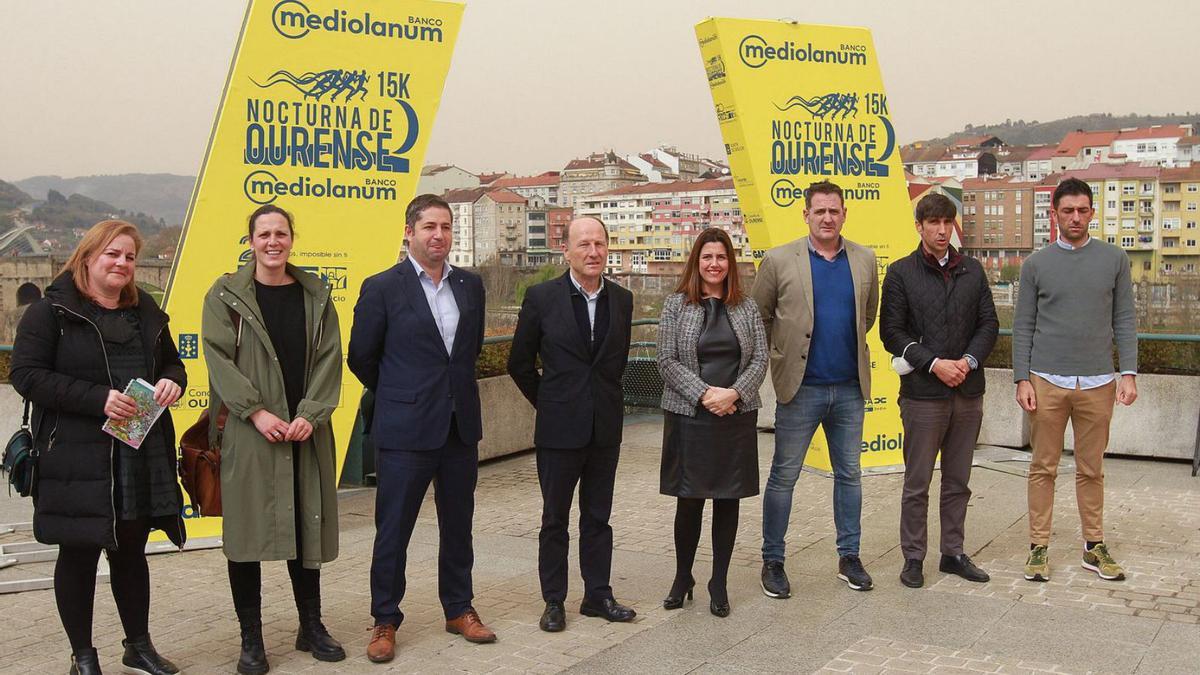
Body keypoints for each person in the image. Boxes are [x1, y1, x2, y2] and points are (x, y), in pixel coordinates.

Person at [11, 219, 186, 675]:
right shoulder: (50, 312)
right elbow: (26, 375)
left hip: (135, 450)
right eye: (113, 253)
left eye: (129, 256)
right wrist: (98, 400)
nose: (123, 263)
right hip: (76, 455)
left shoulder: (144, 308)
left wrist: (171, 381)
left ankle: (139, 646)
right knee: (79, 552)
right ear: (87, 256)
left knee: (131, 550)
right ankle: (83, 656)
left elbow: (171, 363)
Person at [349, 194, 494, 662]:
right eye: (429, 226)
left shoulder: (470, 286)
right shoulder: (382, 287)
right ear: (409, 232)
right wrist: (401, 393)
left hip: (457, 428)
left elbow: (466, 353)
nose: (439, 235)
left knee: (459, 526)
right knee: (393, 529)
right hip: (405, 428)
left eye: (446, 227)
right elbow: (362, 358)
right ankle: (385, 619)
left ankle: (459, 608)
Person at [202, 204, 345, 674]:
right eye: (263, 234)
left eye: (280, 233)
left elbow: (329, 360)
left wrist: (311, 414)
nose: (273, 242)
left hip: (304, 433)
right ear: (250, 241)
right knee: (247, 537)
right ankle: (252, 640)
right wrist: (256, 412)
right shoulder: (224, 296)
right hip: (251, 435)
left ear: (291, 239)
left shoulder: (315, 296)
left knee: (305, 529)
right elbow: (220, 361)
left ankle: (311, 626)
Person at [507, 215, 636, 632]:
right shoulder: (542, 297)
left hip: (605, 429)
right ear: (566, 250)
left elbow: (614, 364)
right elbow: (519, 364)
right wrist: (550, 403)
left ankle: (598, 594)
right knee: (555, 519)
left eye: (599, 243)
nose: (593, 252)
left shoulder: (623, 299)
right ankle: (554, 600)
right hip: (559, 430)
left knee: (598, 517)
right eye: (583, 245)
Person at [751, 180, 879, 596]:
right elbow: (759, 318)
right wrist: (781, 359)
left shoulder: (864, 260)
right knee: (783, 477)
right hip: (799, 389)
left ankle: (850, 557)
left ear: (845, 214)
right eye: (819, 210)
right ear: (805, 214)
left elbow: (869, 316)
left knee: (850, 476)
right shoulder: (777, 260)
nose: (827, 217)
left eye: (834, 211)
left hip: (848, 389)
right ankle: (773, 560)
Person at [1013, 177, 1138, 583]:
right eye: (1067, 210)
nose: (1076, 217)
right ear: (1054, 214)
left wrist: (1129, 373)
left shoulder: (1114, 259)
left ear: (1092, 212)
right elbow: (1023, 325)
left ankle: (1093, 546)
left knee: (1092, 469)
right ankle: (1038, 548)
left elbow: (1124, 320)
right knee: (1042, 467)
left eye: (1083, 210)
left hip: (1099, 382)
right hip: (1046, 380)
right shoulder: (1035, 265)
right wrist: (1021, 379)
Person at [879, 193, 998, 589]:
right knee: (917, 482)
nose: (942, 230)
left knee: (958, 479)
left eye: (948, 222)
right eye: (933, 223)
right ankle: (913, 557)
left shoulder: (973, 271)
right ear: (919, 227)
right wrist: (934, 363)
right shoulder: (899, 273)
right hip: (922, 395)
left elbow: (989, 325)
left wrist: (968, 361)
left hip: (967, 390)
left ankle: (953, 553)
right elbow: (890, 332)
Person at [656, 228, 767, 617]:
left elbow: (759, 359)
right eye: (707, 257)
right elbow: (665, 360)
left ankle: (718, 580)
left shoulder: (746, 307)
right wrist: (705, 394)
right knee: (688, 501)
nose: (714, 264)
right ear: (696, 262)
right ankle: (682, 576)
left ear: (729, 263)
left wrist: (732, 394)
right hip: (690, 415)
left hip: (735, 416)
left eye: (721, 257)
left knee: (727, 500)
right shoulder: (675, 305)